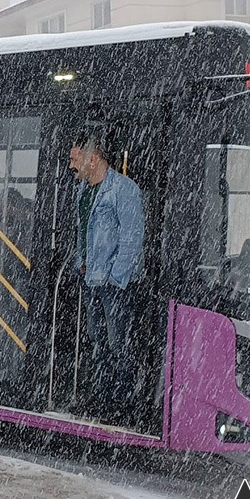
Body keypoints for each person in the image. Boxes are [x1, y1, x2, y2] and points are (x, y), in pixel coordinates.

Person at [69, 135, 145, 425]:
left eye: (75, 158)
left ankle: (122, 404)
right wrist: (82, 266)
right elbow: (83, 234)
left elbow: (132, 238)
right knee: (98, 342)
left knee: (118, 345)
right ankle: (100, 399)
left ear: (93, 159)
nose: (71, 165)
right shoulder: (83, 191)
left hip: (115, 285)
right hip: (91, 280)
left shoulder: (123, 190)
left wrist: (116, 277)